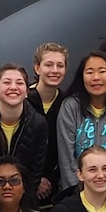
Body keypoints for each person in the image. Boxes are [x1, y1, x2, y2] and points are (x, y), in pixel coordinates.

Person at [54, 51, 106, 192]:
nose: (96, 77)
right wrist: (79, 199)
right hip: (73, 197)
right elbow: (66, 159)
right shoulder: (70, 107)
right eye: (90, 72)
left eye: (102, 71)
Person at [0, 63, 51, 208]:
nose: (13, 87)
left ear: (26, 92)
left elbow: (35, 173)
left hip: (23, 204)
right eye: (6, 82)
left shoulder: (38, 124)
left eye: (19, 83)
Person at [31, 42, 71, 202]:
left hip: (56, 189)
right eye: (49, 65)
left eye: (60, 65)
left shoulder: (68, 104)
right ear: (37, 68)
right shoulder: (22, 100)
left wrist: (50, 179)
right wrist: (35, 179)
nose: (55, 70)